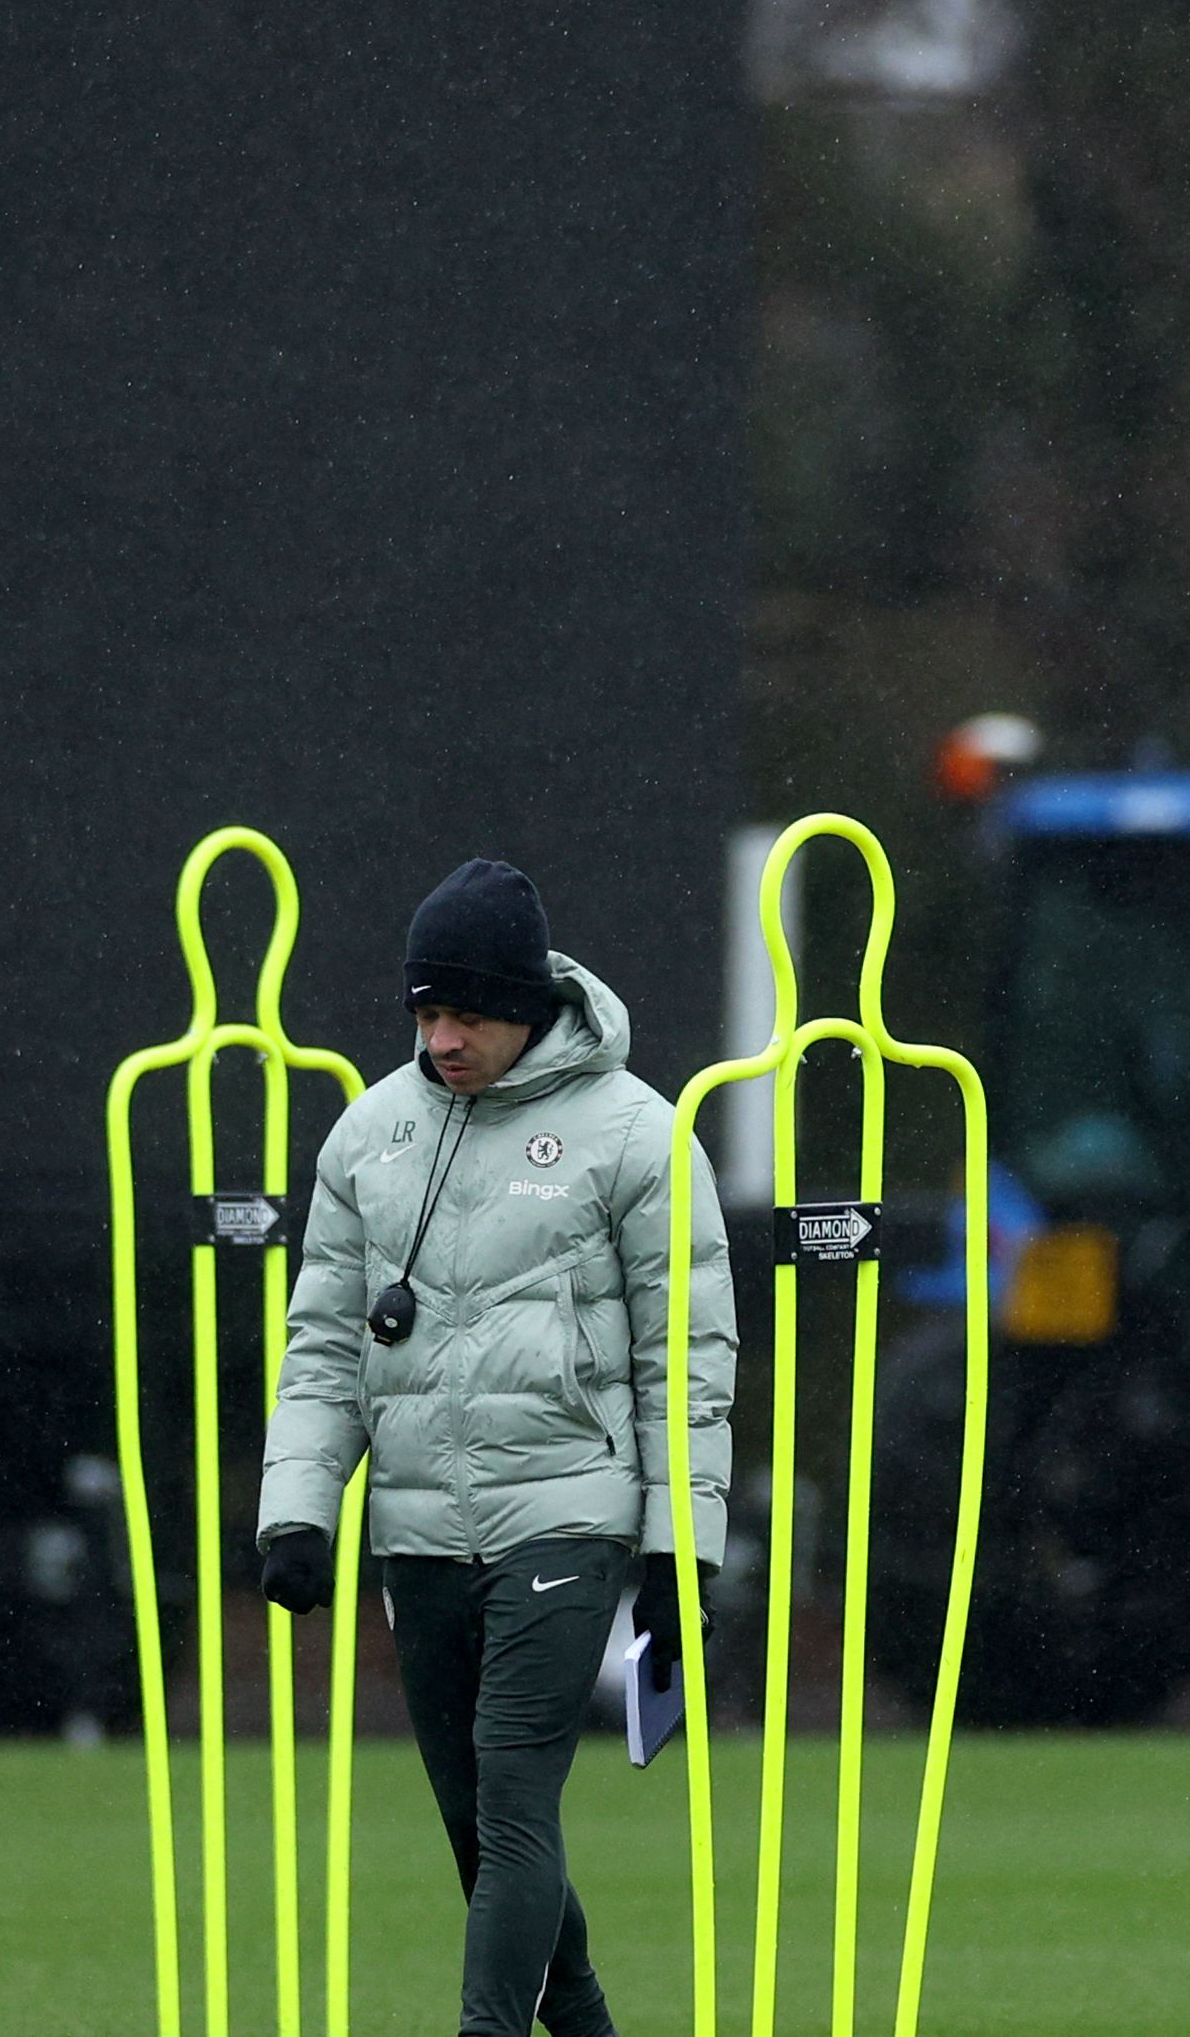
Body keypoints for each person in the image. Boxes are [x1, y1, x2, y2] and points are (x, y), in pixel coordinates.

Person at [259, 856, 733, 2037]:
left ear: (529, 1003)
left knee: (517, 1800)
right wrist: (299, 1508)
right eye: (427, 1010)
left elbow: (687, 1356)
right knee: (475, 1825)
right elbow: (322, 1343)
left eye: (467, 1009)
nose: (444, 1036)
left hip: (568, 1519)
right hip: (417, 1531)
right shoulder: (368, 1133)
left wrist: (682, 1541)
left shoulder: (638, 1132)